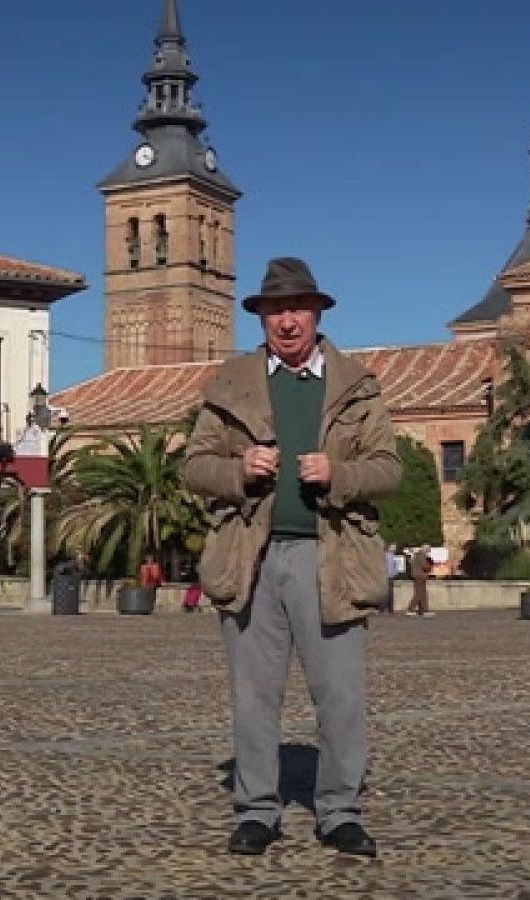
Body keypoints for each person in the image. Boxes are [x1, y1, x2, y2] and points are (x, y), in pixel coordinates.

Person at [183, 256, 402, 858]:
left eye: (297, 309)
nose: (287, 321)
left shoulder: (358, 386)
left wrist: (341, 472)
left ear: (316, 313)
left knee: (341, 696)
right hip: (249, 560)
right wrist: (236, 470)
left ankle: (339, 811)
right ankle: (257, 810)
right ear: (261, 318)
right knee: (254, 696)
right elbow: (193, 466)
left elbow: (390, 468)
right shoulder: (231, 385)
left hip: (330, 559)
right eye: (276, 310)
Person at [407, 546, 435, 617]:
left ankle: (424, 610)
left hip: (419, 576)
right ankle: (410, 609)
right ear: (425, 550)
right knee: (419, 594)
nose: (428, 553)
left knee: (423, 594)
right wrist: (431, 566)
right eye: (428, 551)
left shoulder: (418, 556)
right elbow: (424, 566)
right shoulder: (421, 556)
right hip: (420, 576)